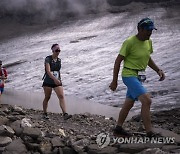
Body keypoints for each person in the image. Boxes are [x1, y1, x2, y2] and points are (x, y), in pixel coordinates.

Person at [109, 18, 165, 137]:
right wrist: (114, 81)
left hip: (139, 77)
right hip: (129, 75)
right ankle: (149, 132)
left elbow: (147, 58)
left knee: (129, 103)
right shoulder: (129, 42)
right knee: (147, 100)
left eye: (152, 30)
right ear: (139, 29)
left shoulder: (148, 42)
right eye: (148, 30)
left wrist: (158, 70)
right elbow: (117, 61)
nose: (150, 33)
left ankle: (118, 128)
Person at [42, 44, 72, 120]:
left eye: (59, 50)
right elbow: (48, 71)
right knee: (47, 97)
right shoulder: (48, 59)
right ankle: (45, 113)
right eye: (56, 50)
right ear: (53, 51)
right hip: (48, 80)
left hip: (57, 80)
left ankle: (65, 114)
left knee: (61, 96)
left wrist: (59, 80)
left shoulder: (59, 60)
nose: (58, 52)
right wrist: (54, 79)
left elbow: (58, 71)